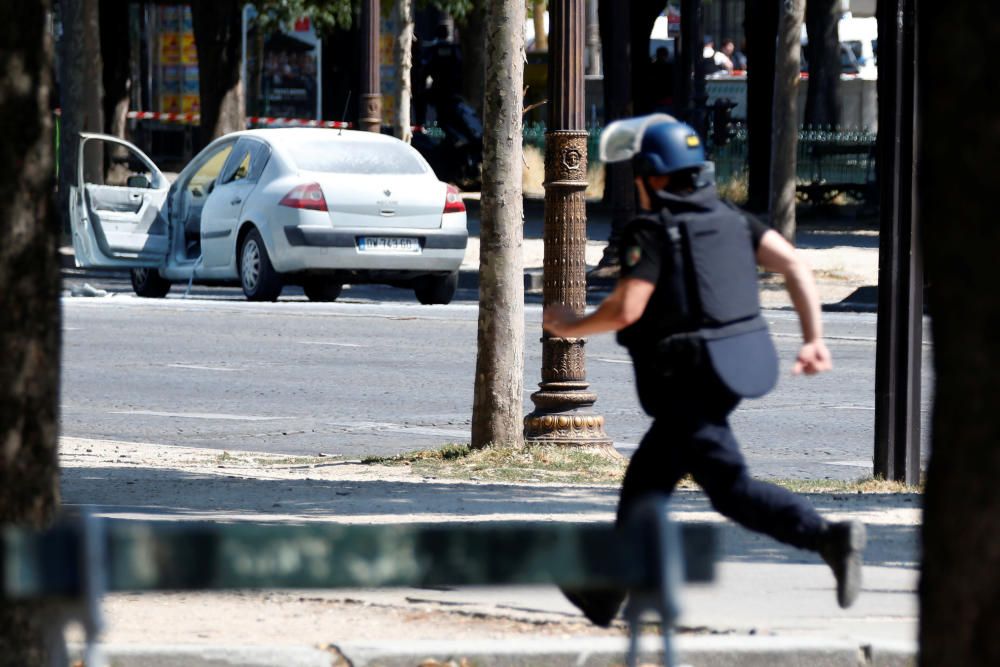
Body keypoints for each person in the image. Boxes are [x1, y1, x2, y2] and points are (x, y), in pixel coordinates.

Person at [546, 115, 866, 626]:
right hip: (724, 371)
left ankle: (828, 537)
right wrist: (814, 340)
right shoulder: (731, 219)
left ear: (651, 176)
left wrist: (570, 325)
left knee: (730, 490)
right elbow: (797, 266)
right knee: (646, 483)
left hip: (684, 383)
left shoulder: (649, 233)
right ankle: (606, 593)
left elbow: (628, 308)